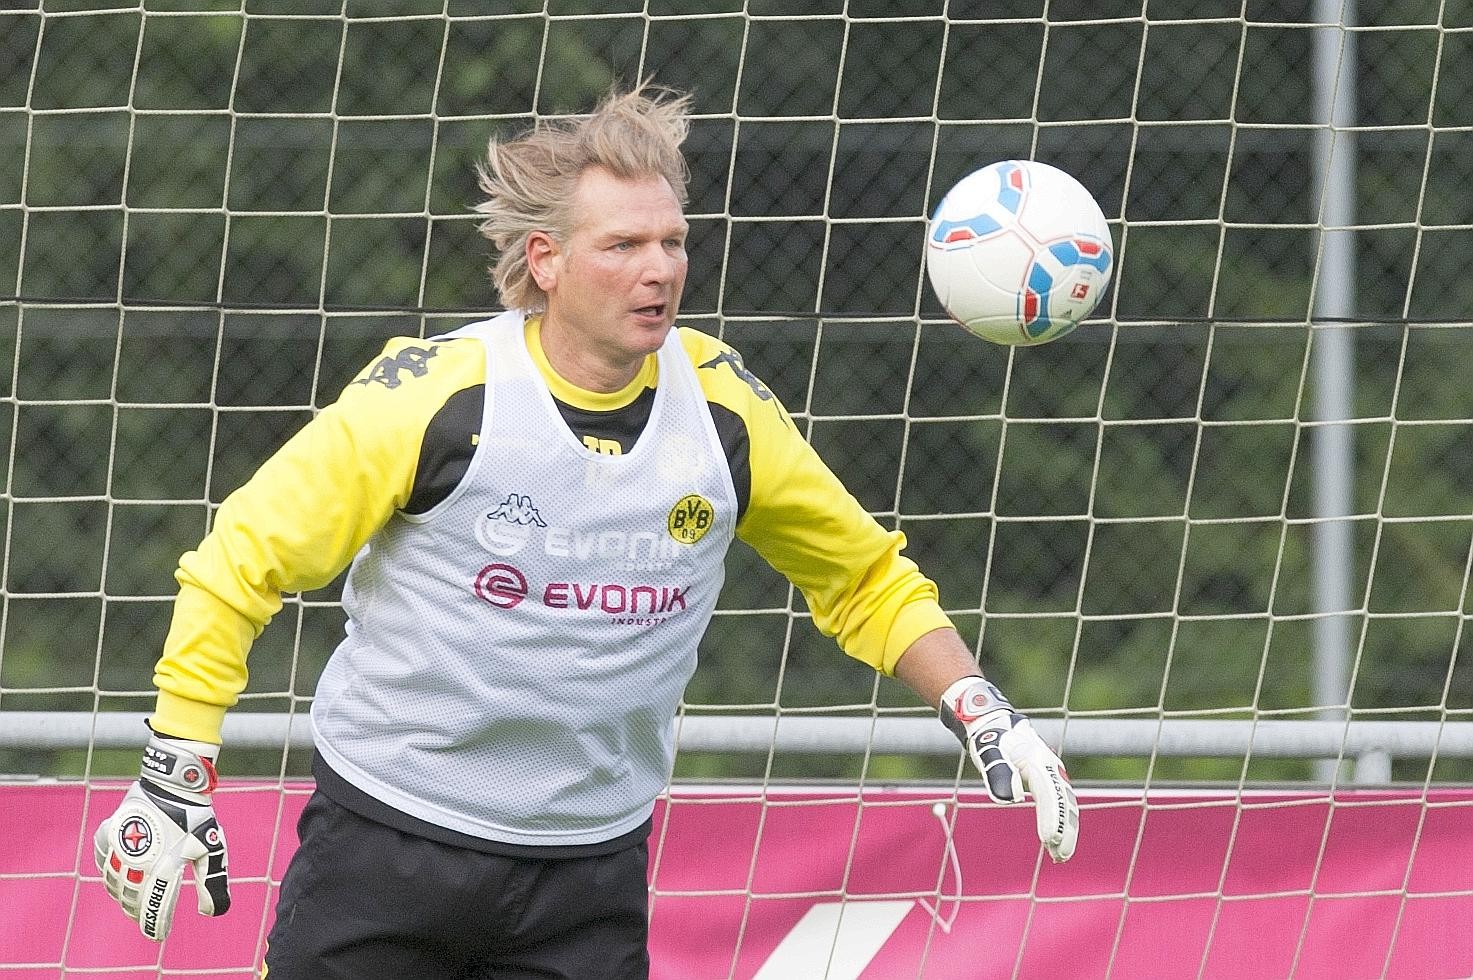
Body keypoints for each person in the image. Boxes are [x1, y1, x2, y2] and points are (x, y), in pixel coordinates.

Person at [93, 83, 1078, 978]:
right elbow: (241, 560)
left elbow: (864, 577)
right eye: (623, 246)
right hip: (387, 848)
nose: (660, 270)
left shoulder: (723, 412)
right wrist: (177, 765)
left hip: (587, 877)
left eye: (673, 241)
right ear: (547, 260)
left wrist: (979, 703)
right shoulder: (438, 395)